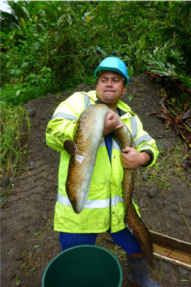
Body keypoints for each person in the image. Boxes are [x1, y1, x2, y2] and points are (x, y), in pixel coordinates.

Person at [46, 57, 160, 287]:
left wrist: (142, 157)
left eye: (115, 80)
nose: (109, 84)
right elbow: (53, 132)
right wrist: (94, 129)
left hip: (119, 207)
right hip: (81, 210)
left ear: (124, 88)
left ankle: (138, 278)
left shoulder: (130, 118)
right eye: (104, 79)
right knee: (76, 259)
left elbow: (149, 144)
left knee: (137, 245)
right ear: (97, 84)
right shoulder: (78, 103)